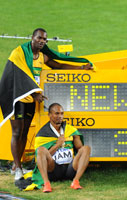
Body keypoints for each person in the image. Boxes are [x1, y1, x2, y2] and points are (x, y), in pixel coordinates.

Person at [0, 28, 93, 180]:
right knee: (16, 132)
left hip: (30, 99)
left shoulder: (42, 56)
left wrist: (80, 68)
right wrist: (34, 92)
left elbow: (59, 66)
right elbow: (18, 75)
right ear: (32, 38)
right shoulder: (19, 53)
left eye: (44, 40)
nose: (42, 41)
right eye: (39, 38)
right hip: (17, 98)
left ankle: (17, 164)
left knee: (24, 132)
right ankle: (17, 168)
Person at [34, 103, 90, 192]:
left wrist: (75, 140)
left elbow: (80, 149)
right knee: (41, 150)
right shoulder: (42, 134)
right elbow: (41, 157)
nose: (60, 116)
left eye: (61, 113)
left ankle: (75, 181)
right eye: (57, 113)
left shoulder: (70, 130)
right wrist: (58, 145)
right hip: (53, 169)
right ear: (49, 115)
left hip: (70, 168)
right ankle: (46, 184)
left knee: (86, 148)